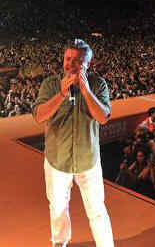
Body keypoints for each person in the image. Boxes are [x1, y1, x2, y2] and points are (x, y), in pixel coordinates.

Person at [32, 39, 113, 247]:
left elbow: (103, 117)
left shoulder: (98, 84)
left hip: (88, 159)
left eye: (78, 60)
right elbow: (39, 116)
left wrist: (86, 91)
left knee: (96, 208)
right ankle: (59, 242)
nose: (71, 64)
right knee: (58, 207)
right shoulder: (50, 84)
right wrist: (61, 94)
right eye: (68, 59)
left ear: (88, 64)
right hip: (57, 159)